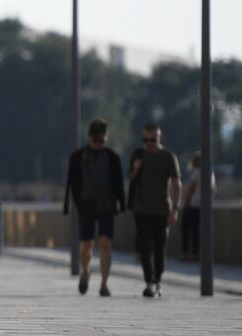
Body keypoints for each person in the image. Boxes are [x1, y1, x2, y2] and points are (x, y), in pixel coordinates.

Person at [63, 118, 126, 297]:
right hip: (86, 203)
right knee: (86, 244)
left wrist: (121, 204)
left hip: (106, 204)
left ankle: (104, 284)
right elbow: (71, 183)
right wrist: (74, 203)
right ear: (89, 137)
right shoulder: (78, 156)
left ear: (106, 138)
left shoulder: (113, 158)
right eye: (95, 140)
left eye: (102, 140)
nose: (98, 144)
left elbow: (119, 184)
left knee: (105, 243)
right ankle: (86, 271)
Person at [127, 123, 181, 298]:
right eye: (146, 140)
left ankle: (157, 280)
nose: (149, 143)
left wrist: (175, 208)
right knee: (145, 246)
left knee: (160, 247)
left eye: (153, 139)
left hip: (162, 210)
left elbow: (176, 183)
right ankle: (149, 281)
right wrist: (136, 167)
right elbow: (130, 177)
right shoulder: (139, 154)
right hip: (141, 209)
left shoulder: (168, 157)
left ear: (160, 137)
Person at [180, 151, 215, 261]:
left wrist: (185, 201)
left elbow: (191, 188)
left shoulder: (196, 171)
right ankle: (195, 253)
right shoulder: (210, 172)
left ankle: (186, 253)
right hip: (203, 206)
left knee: (185, 228)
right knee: (197, 231)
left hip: (192, 205)